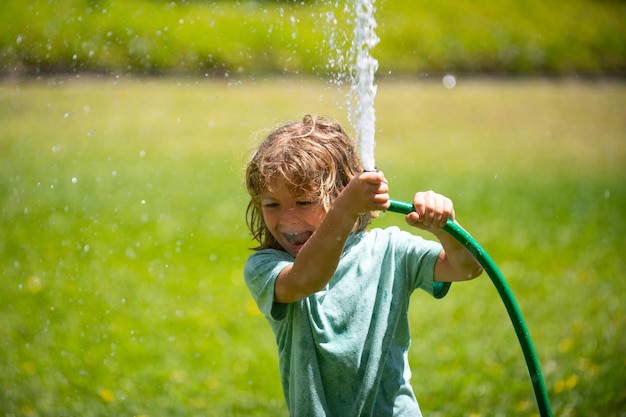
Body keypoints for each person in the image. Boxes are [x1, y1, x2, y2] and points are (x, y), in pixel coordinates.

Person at [243, 114, 482, 416]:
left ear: (345, 190)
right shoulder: (267, 267)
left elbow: (466, 268)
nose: (289, 218)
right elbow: (306, 280)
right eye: (272, 204)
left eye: (304, 202)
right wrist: (344, 208)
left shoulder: (390, 250)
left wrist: (443, 226)